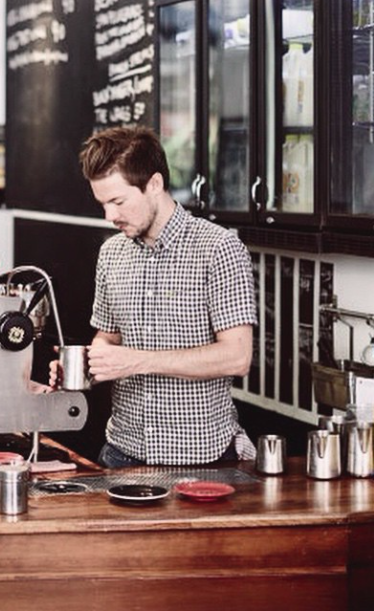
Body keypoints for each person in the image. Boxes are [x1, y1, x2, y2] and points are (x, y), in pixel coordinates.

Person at [50, 126, 258, 468]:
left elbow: (237, 357)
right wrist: (85, 367)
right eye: (103, 204)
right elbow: (108, 337)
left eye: (118, 202)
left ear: (155, 184)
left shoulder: (218, 248)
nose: (109, 216)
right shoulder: (111, 253)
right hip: (120, 452)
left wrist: (137, 361)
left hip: (200, 459)